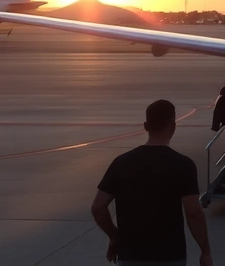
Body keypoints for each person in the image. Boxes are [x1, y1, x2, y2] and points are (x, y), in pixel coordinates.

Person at [91, 100, 213, 266]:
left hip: (130, 256)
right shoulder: (183, 165)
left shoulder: (121, 162)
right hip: (170, 256)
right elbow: (193, 212)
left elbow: (98, 207)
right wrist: (205, 251)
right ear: (173, 127)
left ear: (145, 126)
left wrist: (115, 237)